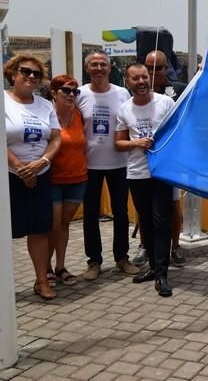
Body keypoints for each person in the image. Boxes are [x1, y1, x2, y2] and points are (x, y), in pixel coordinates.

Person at [115, 63, 176, 297]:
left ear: (149, 79)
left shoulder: (165, 102)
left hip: (161, 172)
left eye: (144, 77)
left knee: (162, 223)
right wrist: (135, 143)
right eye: (135, 78)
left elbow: (177, 132)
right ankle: (152, 266)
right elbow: (118, 143)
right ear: (127, 82)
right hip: (137, 173)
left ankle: (162, 274)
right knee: (147, 224)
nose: (141, 82)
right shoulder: (124, 109)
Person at [77, 51, 139, 279]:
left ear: (110, 68)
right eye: (94, 64)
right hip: (89, 164)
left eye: (103, 64)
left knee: (121, 212)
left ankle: (122, 258)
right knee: (90, 214)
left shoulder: (122, 93)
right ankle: (94, 262)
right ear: (87, 68)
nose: (99, 68)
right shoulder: (80, 94)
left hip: (119, 163)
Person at [4, 55, 61, 300]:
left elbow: (56, 138)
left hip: (40, 174)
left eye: (36, 74)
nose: (30, 77)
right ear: (12, 74)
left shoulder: (45, 105)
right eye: (25, 71)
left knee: (39, 231)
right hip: (8, 176)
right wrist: (19, 166)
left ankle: (41, 281)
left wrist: (41, 162)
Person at [131, 50, 187, 267]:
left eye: (159, 67)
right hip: (142, 162)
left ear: (167, 68)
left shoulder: (179, 90)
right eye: (149, 67)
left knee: (172, 206)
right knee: (143, 210)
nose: (153, 73)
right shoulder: (136, 91)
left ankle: (175, 246)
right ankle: (145, 246)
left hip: (168, 162)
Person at [48, 75, 88, 286]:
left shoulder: (79, 115)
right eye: (66, 90)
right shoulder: (46, 116)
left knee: (63, 224)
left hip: (78, 178)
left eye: (75, 91)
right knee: (52, 224)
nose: (72, 95)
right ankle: (44, 268)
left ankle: (60, 266)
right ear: (54, 93)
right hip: (53, 179)